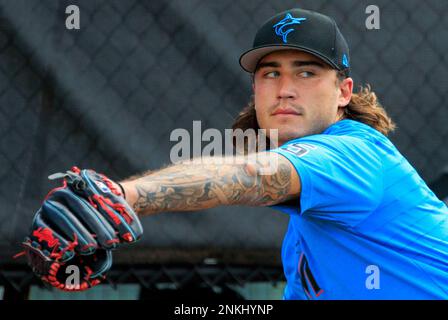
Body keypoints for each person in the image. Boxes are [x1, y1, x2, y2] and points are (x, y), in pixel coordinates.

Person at [23, 8, 448, 299]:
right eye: (270, 73)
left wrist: (122, 197)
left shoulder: (356, 155)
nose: (285, 88)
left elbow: (256, 176)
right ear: (256, 90)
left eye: (307, 72)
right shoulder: (301, 245)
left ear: (343, 92)